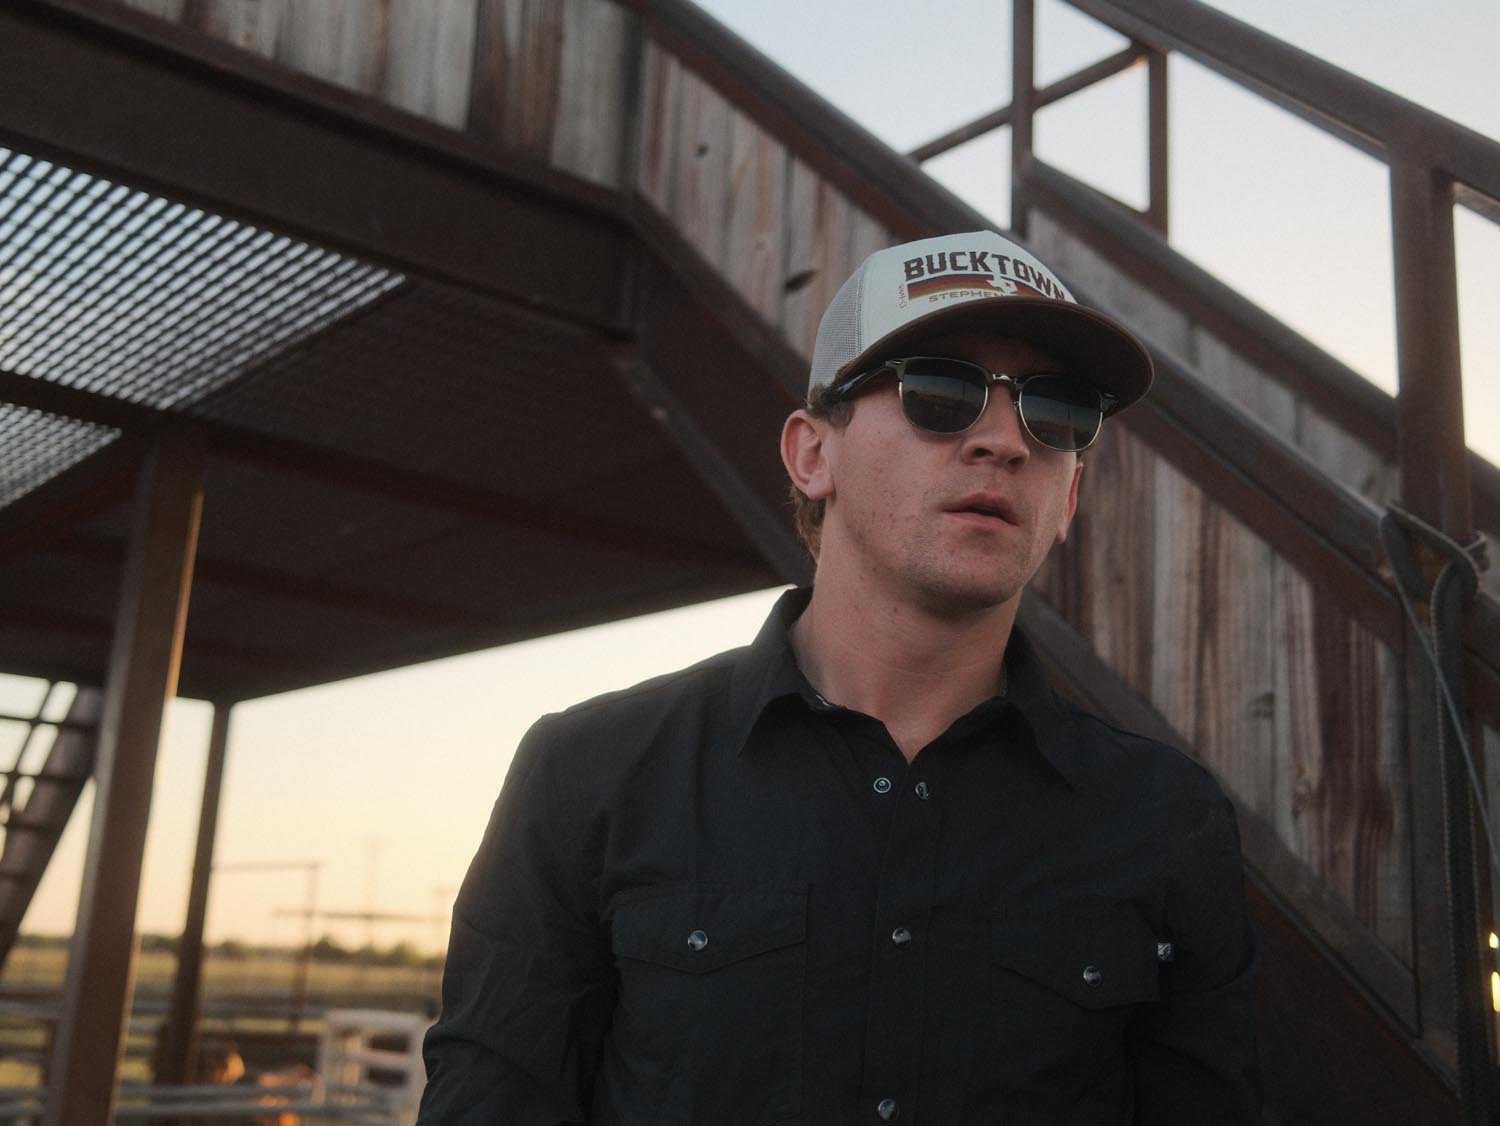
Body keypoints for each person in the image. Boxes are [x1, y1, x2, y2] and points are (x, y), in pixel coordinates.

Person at [419, 230, 1260, 1124]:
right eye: (943, 389)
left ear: (1071, 501)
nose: (1007, 441)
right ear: (813, 454)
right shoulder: (588, 774)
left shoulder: (1165, 819)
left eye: (1057, 412)